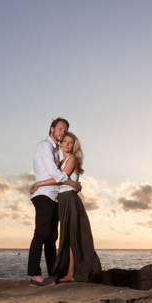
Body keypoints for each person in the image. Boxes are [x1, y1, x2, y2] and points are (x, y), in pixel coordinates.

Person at [30, 132, 101, 283]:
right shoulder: (61, 161)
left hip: (69, 199)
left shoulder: (72, 159)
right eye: (66, 141)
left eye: (71, 142)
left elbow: (59, 179)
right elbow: (58, 177)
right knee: (66, 238)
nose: (67, 144)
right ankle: (67, 272)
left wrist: (38, 183)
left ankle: (71, 274)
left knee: (72, 237)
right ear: (61, 143)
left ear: (74, 146)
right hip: (62, 200)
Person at [27, 118, 80, 286]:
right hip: (44, 195)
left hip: (53, 196)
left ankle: (53, 274)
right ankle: (35, 275)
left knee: (51, 238)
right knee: (41, 234)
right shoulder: (44, 146)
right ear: (51, 129)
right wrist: (71, 182)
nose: (62, 132)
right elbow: (53, 172)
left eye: (64, 130)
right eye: (59, 129)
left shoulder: (55, 150)